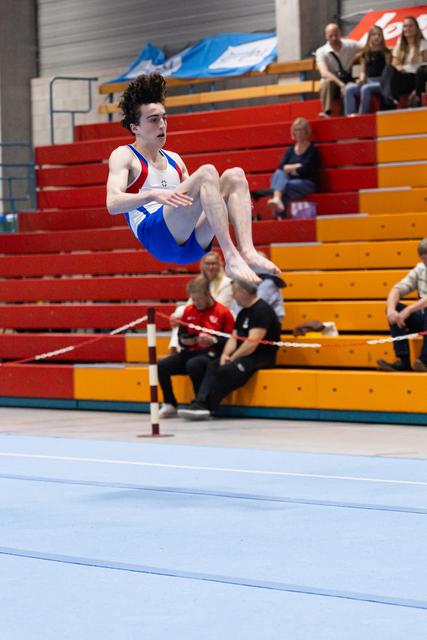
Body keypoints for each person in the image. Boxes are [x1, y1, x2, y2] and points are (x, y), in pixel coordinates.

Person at [106, 73, 280, 284]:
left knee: (235, 176)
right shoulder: (125, 155)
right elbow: (113, 204)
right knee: (207, 172)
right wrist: (152, 195)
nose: (162, 124)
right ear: (135, 128)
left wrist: (232, 204)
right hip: (156, 235)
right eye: (153, 120)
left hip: (192, 244)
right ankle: (231, 257)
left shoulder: (175, 160)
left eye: (164, 118)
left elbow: (200, 203)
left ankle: (247, 251)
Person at [178, 278, 281, 420]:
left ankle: (205, 405)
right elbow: (234, 337)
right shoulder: (244, 312)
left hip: (260, 357)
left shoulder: (262, 310)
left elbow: (252, 343)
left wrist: (233, 358)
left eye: (234, 293)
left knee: (226, 370)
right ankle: (200, 404)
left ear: (243, 292)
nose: (233, 296)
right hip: (244, 355)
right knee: (214, 364)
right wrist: (225, 355)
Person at [158, 276, 234, 418]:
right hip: (192, 350)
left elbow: (231, 340)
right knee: (162, 365)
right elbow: (182, 335)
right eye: (193, 299)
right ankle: (170, 404)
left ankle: (201, 404)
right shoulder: (188, 311)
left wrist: (214, 340)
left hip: (212, 353)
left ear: (208, 294)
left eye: (199, 299)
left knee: (194, 364)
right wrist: (184, 341)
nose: (196, 303)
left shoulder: (223, 313)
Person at [377, 238, 427, 372]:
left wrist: (410, 309)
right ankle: (403, 361)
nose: (426, 263)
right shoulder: (421, 269)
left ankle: (424, 361)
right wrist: (391, 310)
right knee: (395, 309)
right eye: (424, 259)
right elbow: (397, 289)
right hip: (424, 321)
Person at [168, 251, 233, 353]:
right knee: (180, 314)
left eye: (214, 264)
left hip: (219, 317)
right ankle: (175, 349)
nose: (211, 267)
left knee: (183, 315)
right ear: (202, 265)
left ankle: (175, 350)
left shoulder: (227, 283)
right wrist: (175, 316)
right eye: (207, 264)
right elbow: (190, 304)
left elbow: (220, 306)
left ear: (220, 265)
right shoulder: (198, 281)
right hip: (200, 314)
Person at [267, 118, 320, 218]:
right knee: (279, 175)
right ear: (293, 132)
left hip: (307, 183)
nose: (299, 133)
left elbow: (306, 170)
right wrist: (297, 166)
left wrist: (289, 168)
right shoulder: (290, 150)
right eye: (296, 130)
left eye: (301, 130)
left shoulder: (312, 150)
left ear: (307, 131)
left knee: (279, 186)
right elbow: (282, 167)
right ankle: (278, 205)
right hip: (291, 182)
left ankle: (279, 214)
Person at [380, 16, 427, 109]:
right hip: (403, 77)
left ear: (416, 29)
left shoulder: (423, 43)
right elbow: (394, 64)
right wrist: (399, 68)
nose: (407, 29)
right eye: (405, 26)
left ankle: (389, 100)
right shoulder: (400, 45)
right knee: (388, 68)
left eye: (410, 26)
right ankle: (389, 98)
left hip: (416, 78)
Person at [315, 23, 360, 117]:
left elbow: (367, 47)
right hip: (333, 82)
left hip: (348, 78)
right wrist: (340, 84)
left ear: (340, 33)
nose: (334, 38)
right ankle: (327, 112)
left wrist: (359, 59)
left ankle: (346, 114)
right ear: (326, 36)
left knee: (348, 89)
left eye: (336, 34)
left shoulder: (350, 45)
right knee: (326, 82)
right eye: (331, 35)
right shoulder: (321, 51)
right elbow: (324, 73)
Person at [344, 26, 391, 116]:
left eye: (379, 35)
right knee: (349, 89)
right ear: (369, 37)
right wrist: (361, 80)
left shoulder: (386, 52)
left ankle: (362, 114)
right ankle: (350, 115)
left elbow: (388, 71)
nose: (376, 37)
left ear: (382, 37)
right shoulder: (365, 53)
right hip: (369, 81)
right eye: (374, 35)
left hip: (381, 83)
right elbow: (363, 71)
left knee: (366, 88)